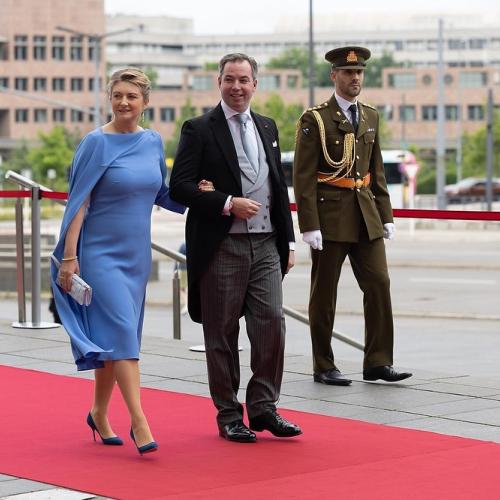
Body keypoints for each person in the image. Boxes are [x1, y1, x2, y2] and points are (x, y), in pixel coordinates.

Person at [51, 68, 184, 455]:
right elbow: (78, 203)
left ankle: (98, 412)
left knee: (115, 337)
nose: (124, 102)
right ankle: (139, 421)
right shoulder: (95, 143)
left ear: (145, 102)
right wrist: (69, 257)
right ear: (110, 99)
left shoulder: (153, 141)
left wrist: (199, 195)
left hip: (135, 255)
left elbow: (159, 192)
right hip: (99, 254)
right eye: (118, 95)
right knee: (123, 335)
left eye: (132, 96)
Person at [169, 53, 302, 443]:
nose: (237, 87)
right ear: (219, 82)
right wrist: (226, 202)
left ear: (255, 84)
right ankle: (229, 414)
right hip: (222, 245)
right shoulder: (198, 128)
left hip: (267, 244)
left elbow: (277, 187)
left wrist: (288, 241)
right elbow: (180, 186)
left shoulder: (267, 126)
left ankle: (263, 407)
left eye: (244, 80)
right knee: (222, 333)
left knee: (271, 325)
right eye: (230, 79)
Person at [293, 46, 412, 386]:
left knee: (379, 283)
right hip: (330, 217)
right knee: (324, 294)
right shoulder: (315, 119)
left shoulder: (370, 116)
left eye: (359, 72)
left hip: (366, 214)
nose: (355, 77)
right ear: (334, 76)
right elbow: (303, 177)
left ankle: (378, 362)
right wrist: (309, 224)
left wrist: (386, 215)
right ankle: (323, 364)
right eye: (348, 72)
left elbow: (377, 171)